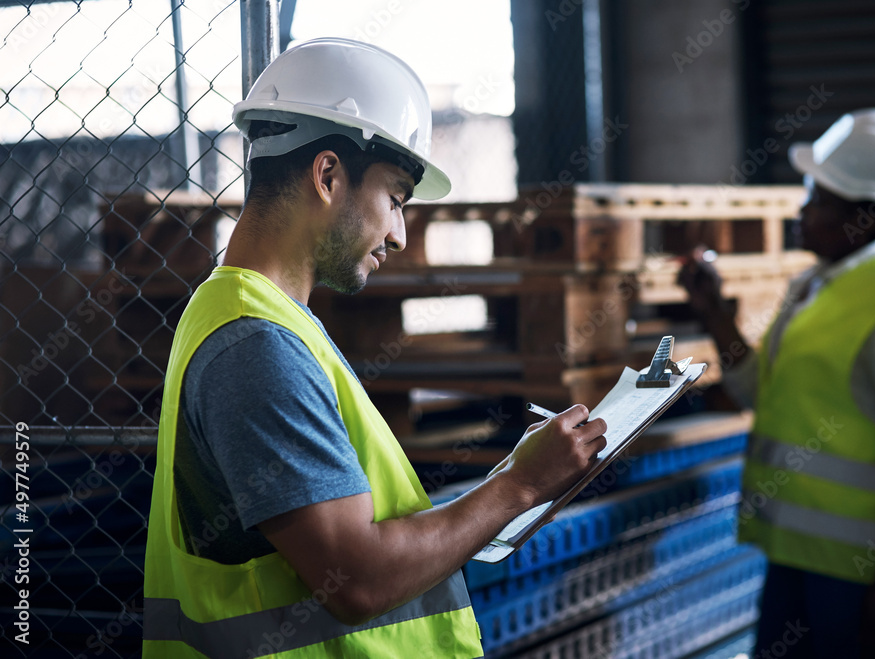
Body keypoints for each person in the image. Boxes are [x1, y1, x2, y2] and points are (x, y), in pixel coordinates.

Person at [142, 38, 608, 658]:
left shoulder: (257, 318)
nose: (400, 233)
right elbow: (356, 580)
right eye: (394, 199)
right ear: (328, 175)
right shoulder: (254, 345)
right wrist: (519, 486)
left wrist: (512, 479)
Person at [680, 108, 875, 659]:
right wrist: (712, 312)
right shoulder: (814, 286)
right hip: (804, 555)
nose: (802, 212)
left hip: (865, 570)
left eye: (818, 201)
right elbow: (760, 391)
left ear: (866, 216)